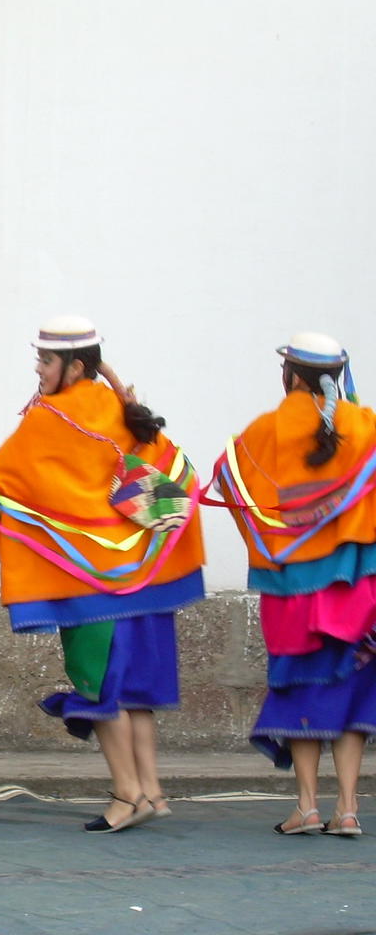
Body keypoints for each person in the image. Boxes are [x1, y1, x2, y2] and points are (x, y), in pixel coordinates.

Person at [0, 316, 205, 833]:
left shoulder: (50, 417)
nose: (38, 369)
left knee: (102, 690)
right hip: (144, 577)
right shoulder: (123, 408)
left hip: (91, 584)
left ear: (74, 366)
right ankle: (152, 790)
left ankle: (126, 795)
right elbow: (171, 478)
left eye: (45, 360)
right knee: (135, 693)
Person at [205, 332, 376, 836]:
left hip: (290, 592)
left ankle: (307, 807)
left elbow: (228, 480)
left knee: (300, 692)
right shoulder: (366, 427)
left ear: (293, 375)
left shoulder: (265, 430)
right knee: (349, 696)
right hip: (354, 593)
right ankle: (349, 809)